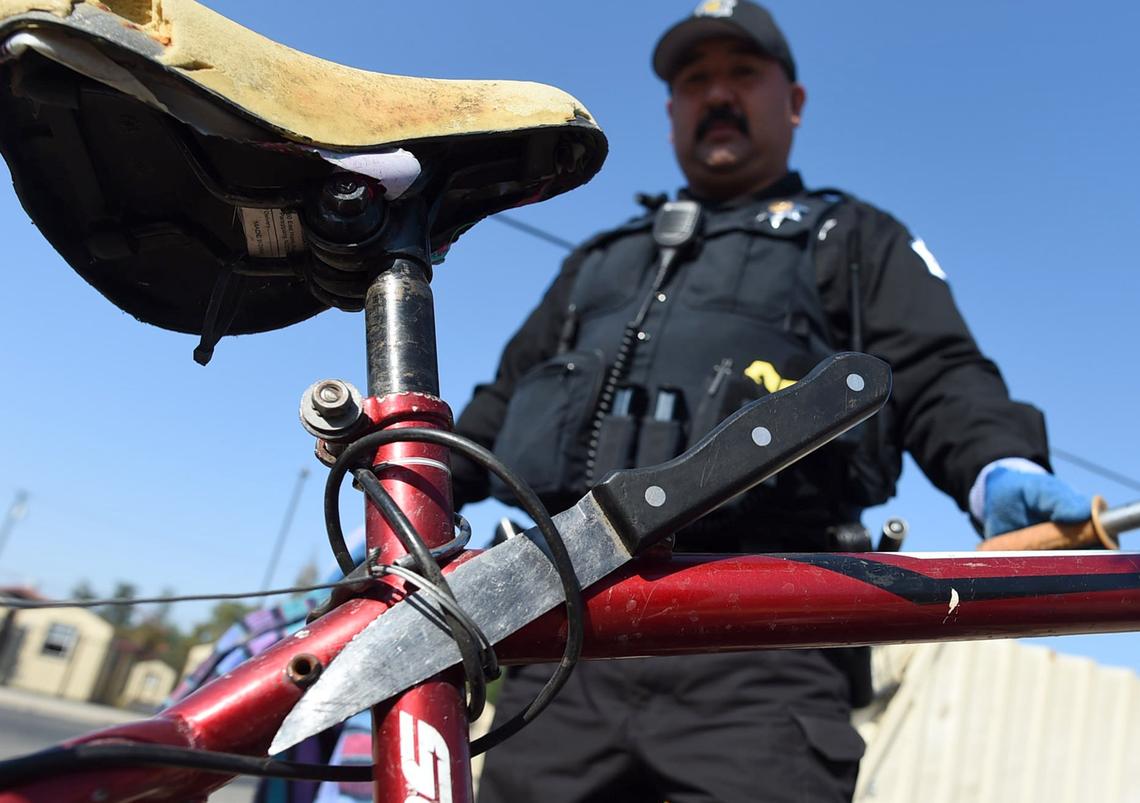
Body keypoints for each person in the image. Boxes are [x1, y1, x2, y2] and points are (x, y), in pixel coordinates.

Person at [449, 2, 1092, 801]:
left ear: (793, 102)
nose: (717, 93)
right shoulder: (598, 263)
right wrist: (410, 494)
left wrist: (996, 464)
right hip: (566, 646)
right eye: (695, 80)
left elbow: (939, 371)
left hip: (764, 632)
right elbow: (499, 404)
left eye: (742, 73)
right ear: (671, 111)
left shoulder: (851, 238)